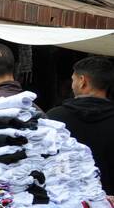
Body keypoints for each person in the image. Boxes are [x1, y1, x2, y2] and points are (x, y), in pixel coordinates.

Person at [48, 56, 114, 194]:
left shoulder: (54, 118)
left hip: (69, 205)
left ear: (82, 81)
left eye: (73, 80)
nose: (72, 85)